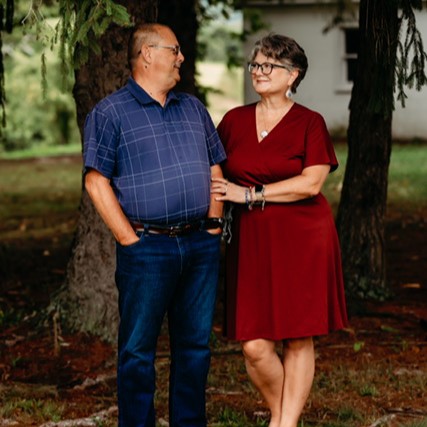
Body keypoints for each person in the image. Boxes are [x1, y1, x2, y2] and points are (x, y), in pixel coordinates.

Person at [83, 23, 226, 427]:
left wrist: (214, 226)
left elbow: (216, 166)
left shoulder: (193, 108)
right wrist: (130, 241)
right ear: (147, 54)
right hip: (147, 249)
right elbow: (96, 181)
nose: (181, 57)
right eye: (174, 50)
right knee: (137, 352)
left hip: (199, 245)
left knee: (195, 348)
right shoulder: (110, 112)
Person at [211, 33, 348, 427]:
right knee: (254, 345)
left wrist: (250, 193)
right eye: (255, 64)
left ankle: (283, 424)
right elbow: (216, 177)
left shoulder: (310, 123)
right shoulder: (234, 121)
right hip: (253, 241)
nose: (259, 71)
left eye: (269, 65)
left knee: (298, 336)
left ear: (293, 75)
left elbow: (311, 184)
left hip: (304, 237)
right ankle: (281, 413)